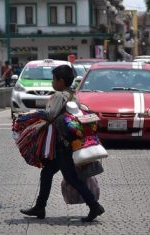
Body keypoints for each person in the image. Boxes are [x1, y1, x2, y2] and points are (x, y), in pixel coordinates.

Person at [20, 65, 105, 223]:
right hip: (67, 144)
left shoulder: (60, 96)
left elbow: (50, 116)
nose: (52, 82)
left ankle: (94, 206)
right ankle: (40, 207)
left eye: (54, 79)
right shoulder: (73, 96)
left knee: (71, 178)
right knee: (47, 173)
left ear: (60, 81)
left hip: (63, 146)